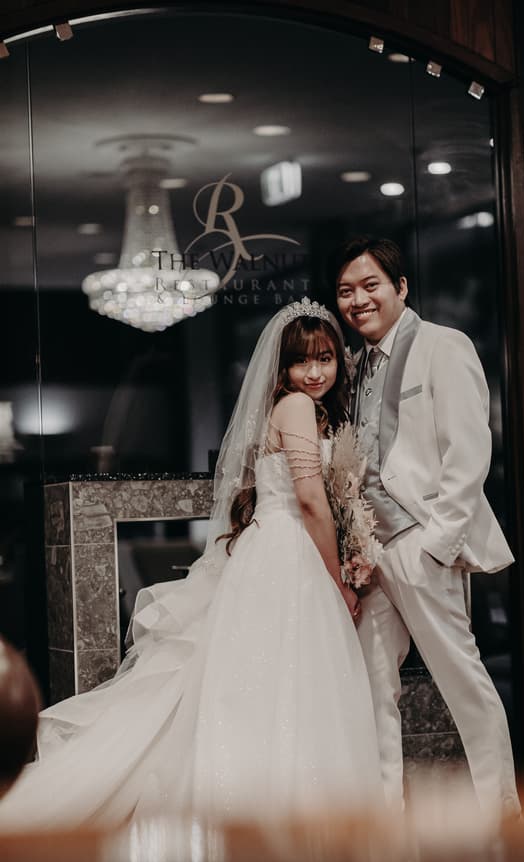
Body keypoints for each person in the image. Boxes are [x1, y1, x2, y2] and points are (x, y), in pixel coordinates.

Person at [0, 299, 383, 832]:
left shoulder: (299, 409)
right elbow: (311, 501)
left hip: (273, 548)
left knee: (266, 681)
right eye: (302, 360)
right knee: (291, 680)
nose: (314, 372)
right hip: (289, 552)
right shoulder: (296, 406)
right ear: (283, 367)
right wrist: (338, 579)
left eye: (325, 358)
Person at [333, 236, 521, 820]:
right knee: (372, 687)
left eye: (370, 286)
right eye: (346, 291)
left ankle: (501, 815)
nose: (358, 300)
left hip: (420, 542)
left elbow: (470, 452)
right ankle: (386, 816)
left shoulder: (444, 345)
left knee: (464, 684)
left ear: (401, 287)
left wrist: (438, 545)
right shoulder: (353, 366)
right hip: (370, 552)